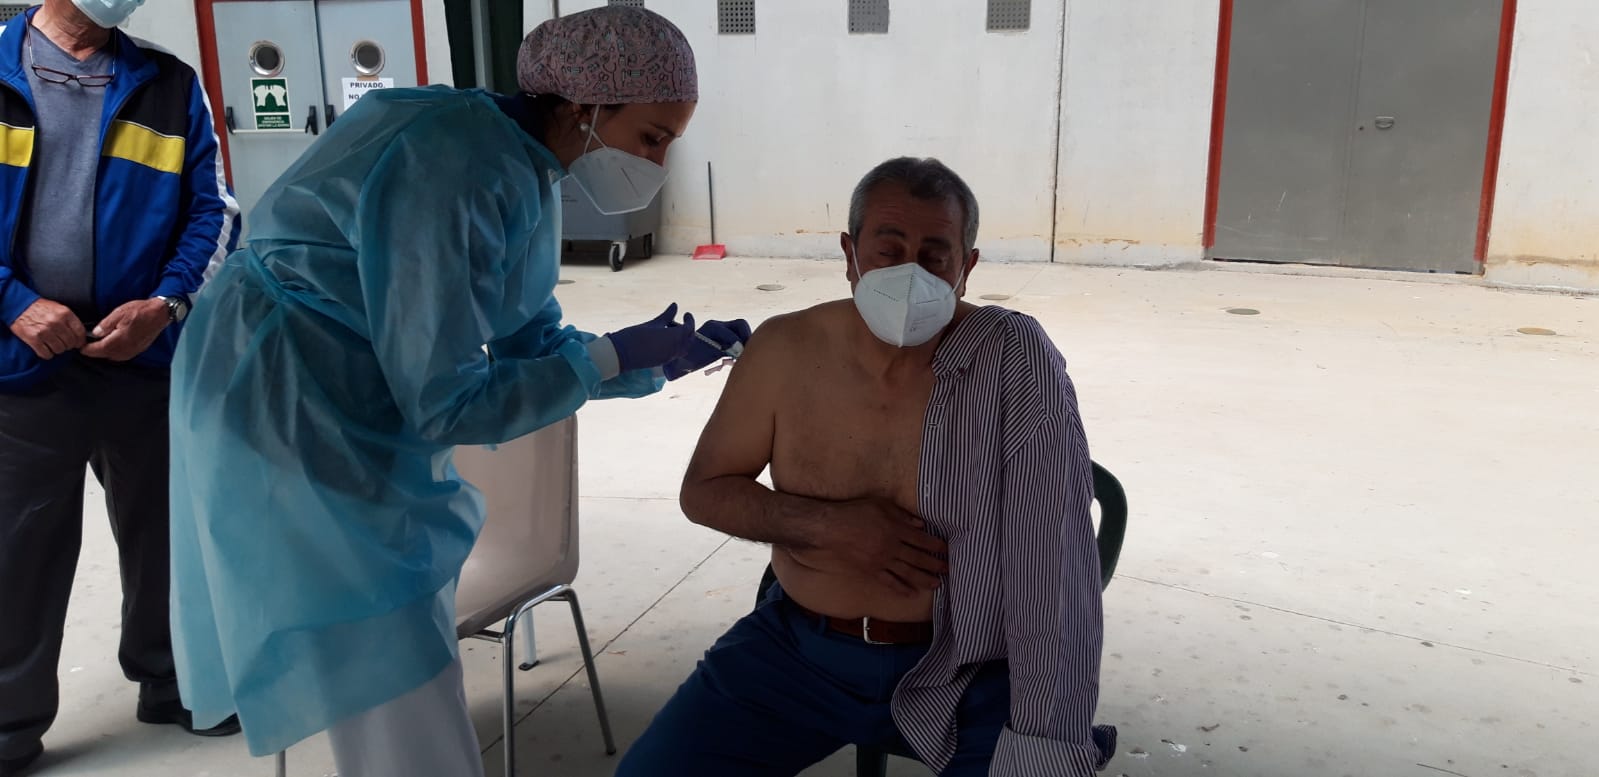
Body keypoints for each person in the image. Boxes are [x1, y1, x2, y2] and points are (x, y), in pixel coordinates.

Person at [165, 8, 744, 777]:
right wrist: (604, 359)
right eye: (651, 137)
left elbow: (527, 337)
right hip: (287, 395)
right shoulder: (455, 162)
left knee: (394, 635)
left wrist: (645, 362)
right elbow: (447, 400)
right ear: (585, 107)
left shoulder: (520, 164)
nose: (658, 162)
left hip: (337, 391)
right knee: (385, 645)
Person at [619, 158, 1117, 777]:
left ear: (967, 267)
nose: (910, 272)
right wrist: (829, 526)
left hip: (965, 668)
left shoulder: (1013, 360)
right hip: (797, 654)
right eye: (889, 249)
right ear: (850, 254)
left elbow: (1054, 570)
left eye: (936, 254)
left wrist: (1049, 736)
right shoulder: (786, 349)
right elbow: (705, 491)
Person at [0, 0, 241, 771]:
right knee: (19, 549)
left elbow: (215, 210)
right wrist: (14, 305)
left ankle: (176, 679)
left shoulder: (169, 85)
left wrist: (166, 304)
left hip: (136, 355)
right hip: (24, 365)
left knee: (169, 534)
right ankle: (8, 722)